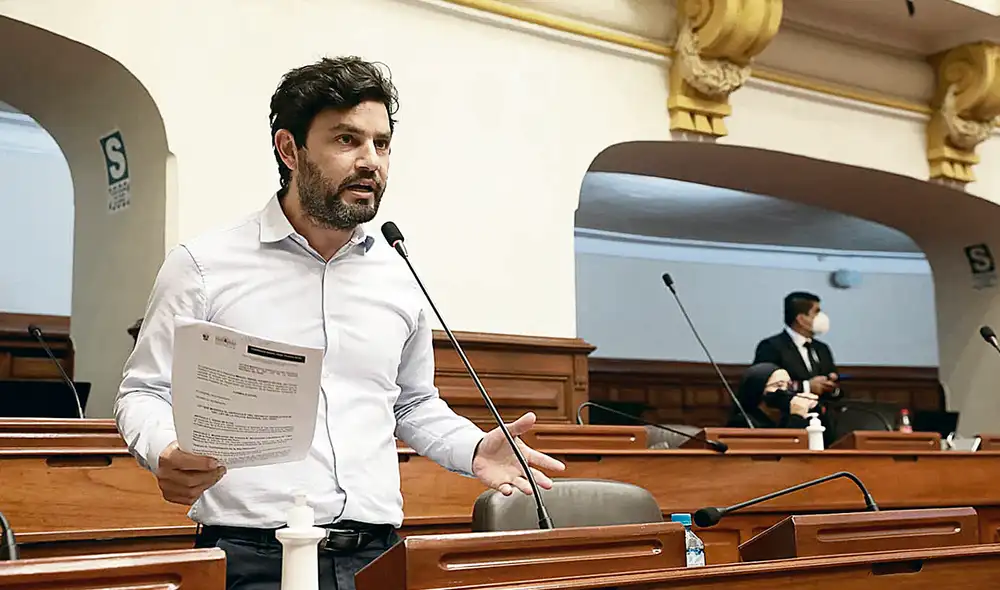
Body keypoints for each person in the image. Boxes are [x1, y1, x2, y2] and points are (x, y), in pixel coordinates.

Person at [114, 56, 565, 590]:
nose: (370, 161)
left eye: (382, 144)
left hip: (377, 555)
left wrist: (471, 449)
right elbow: (144, 391)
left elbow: (411, 403)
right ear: (290, 149)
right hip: (253, 558)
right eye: (347, 140)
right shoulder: (204, 265)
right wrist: (165, 450)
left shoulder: (397, 275)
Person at [753, 291, 841, 400]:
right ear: (801, 319)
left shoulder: (822, 348)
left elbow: (836, 388)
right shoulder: (771, 347)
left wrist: (832, 387)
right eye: (816, 312)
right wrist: (806, 387)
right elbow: (765, 386)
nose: (822, 317)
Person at [727, 362, 819, 428]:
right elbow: (783, 445)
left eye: (789, 385)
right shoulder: (742, 422)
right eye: (778, 385)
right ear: (758, 389)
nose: (785, 390)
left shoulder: (784, 417)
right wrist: (796, 417)